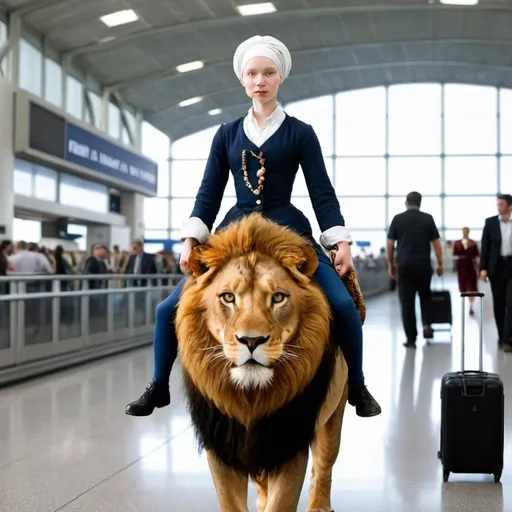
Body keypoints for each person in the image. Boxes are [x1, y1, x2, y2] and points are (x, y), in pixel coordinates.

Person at [125, 35, 381, 418]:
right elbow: (208, 193)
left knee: (343, 305)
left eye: (268, 72)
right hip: (234, 234)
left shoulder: (300, 132)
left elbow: (320, 191)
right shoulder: (226, 133)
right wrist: (191, 239)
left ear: (280, 78)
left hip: (289, 236)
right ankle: (158, 385)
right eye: (252, 73)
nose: (260, 80)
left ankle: (357, 385)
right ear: (243, 80)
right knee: (167, 310)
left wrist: (338, 240)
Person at [386, 191, 443, 348]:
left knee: (407, 302)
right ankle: (426, 327)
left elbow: (390, 245)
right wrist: (440, 264)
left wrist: (391, 264)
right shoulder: (427, 218)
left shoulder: (398, 219)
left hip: (404, 266)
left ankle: (411, 339)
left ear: (406, 202)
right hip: (424, 265)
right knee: (425, 296)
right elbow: (437, 244)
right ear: (420, 203)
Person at [480, 194, 512, 351]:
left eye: (501, 204)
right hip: (497, 267)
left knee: (511, 302)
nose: (498, 207)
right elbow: (485, 247)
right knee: (499, 304)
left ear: (509, 206)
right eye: (497, 204)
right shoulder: (490, 222)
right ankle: (502, 335)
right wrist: (483, 268)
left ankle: (508, 339)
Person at [452, 227, 479, 315]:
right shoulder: (457, 243)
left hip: (471, 267)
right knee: (462, 287)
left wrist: (478, 268)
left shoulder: (473, 243)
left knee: (471, 287)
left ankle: (471, 305)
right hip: (461, 268)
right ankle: (464, 304)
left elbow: (476, 256)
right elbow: (454, 255)